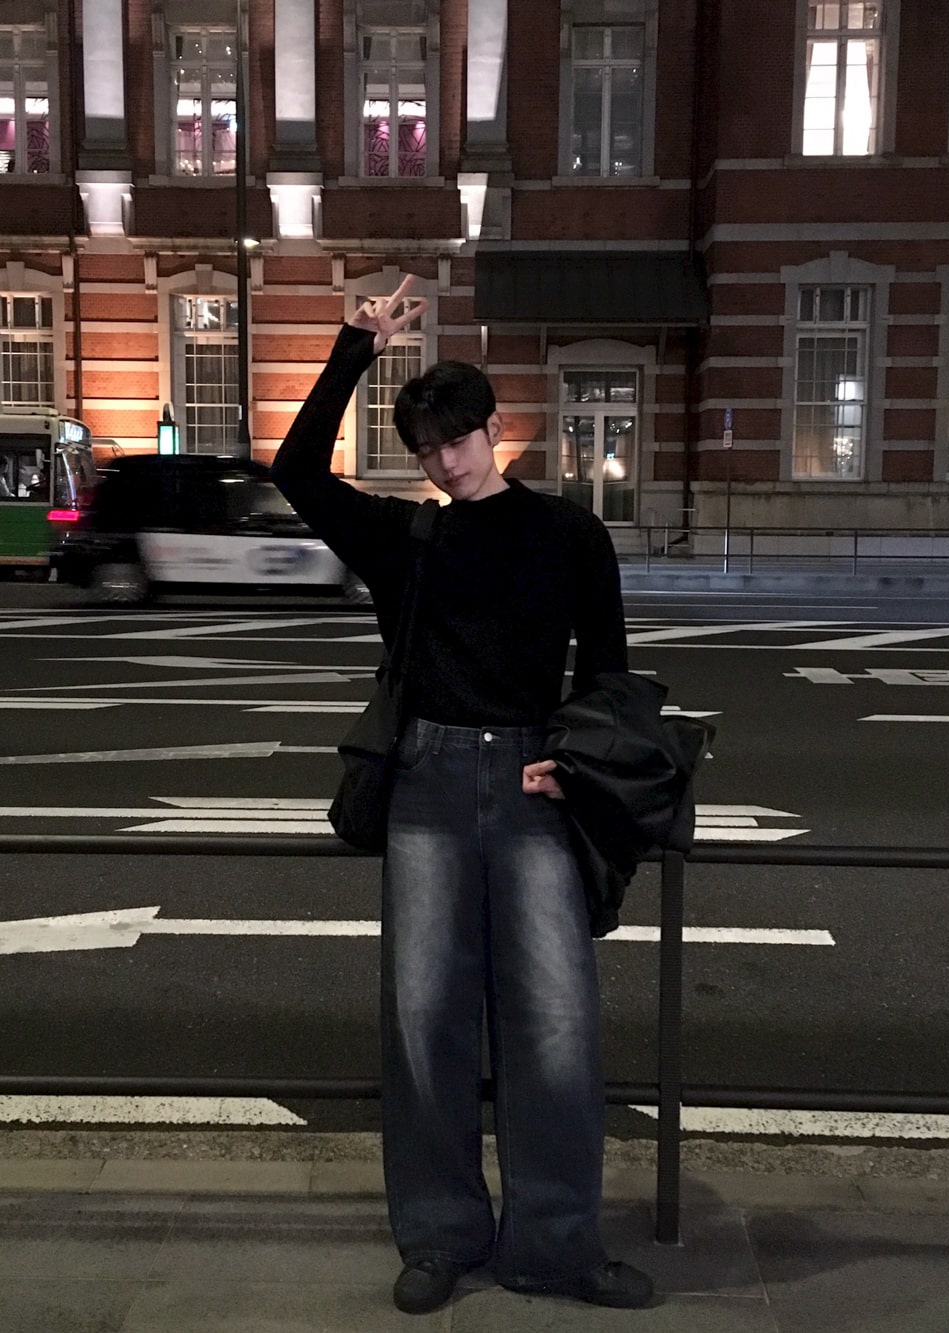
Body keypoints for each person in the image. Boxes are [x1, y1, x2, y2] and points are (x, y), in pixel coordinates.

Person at [271, 275, 654, 1316]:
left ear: (494, 429)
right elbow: (295, 470)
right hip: (429, 781)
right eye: (428, 447)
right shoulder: (408, 538)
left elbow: (608, 670)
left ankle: (556, 1245)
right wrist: (354, 349)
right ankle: (440, 1233)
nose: (445, 460)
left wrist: (575, 761)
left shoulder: (569, 533)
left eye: (458, 438)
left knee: (556, 1021)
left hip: (536, 783)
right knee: (424, 1020)